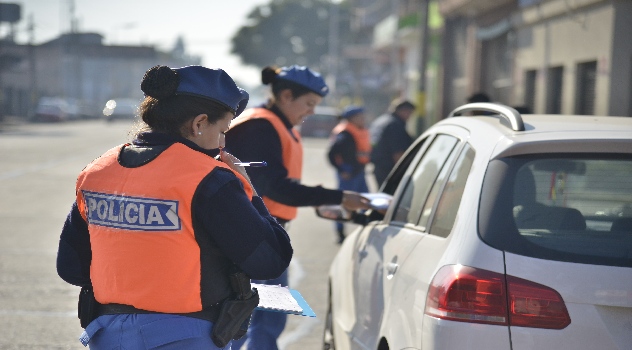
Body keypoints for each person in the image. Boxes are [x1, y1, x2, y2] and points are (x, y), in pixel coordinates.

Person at [56, 65, 293, 349]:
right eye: (222, 129)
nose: (223, 142)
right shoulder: (207, 178)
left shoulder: (97, 171)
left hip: (108, 335)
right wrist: (250, 192)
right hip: (188, 334)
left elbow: (71, 267)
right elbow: (270, 260)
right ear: (200, 123)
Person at [225, 65, 370, 350]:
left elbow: (274, 188)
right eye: (310, 104)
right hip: (254, 235)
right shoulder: (261, 127)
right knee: (258, 318)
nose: (312, 112)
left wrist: (320, 203)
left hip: (264, 233)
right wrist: (337, 197)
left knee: (262, 315)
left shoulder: (275, 125)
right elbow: (273, 186)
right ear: (287, 95)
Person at [327, 105, 371, 243]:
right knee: (343, 202)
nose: (363, 119)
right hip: (349, 173)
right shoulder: (344, 134)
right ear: (351, 119)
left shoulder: (360, 130)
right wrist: (342, 170)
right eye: (360, 116)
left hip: (359, 171)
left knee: (366, 200)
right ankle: (340, 233)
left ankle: (368, 227)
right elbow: (331, 154)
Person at [369, 99, 416, 187]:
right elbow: (398, 152)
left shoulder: (381, 120)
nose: (410, 116)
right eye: (409, 112)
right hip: (390, 170)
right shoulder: (395, 125)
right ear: (403, 111)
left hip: (379, 167)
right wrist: (402, 172)